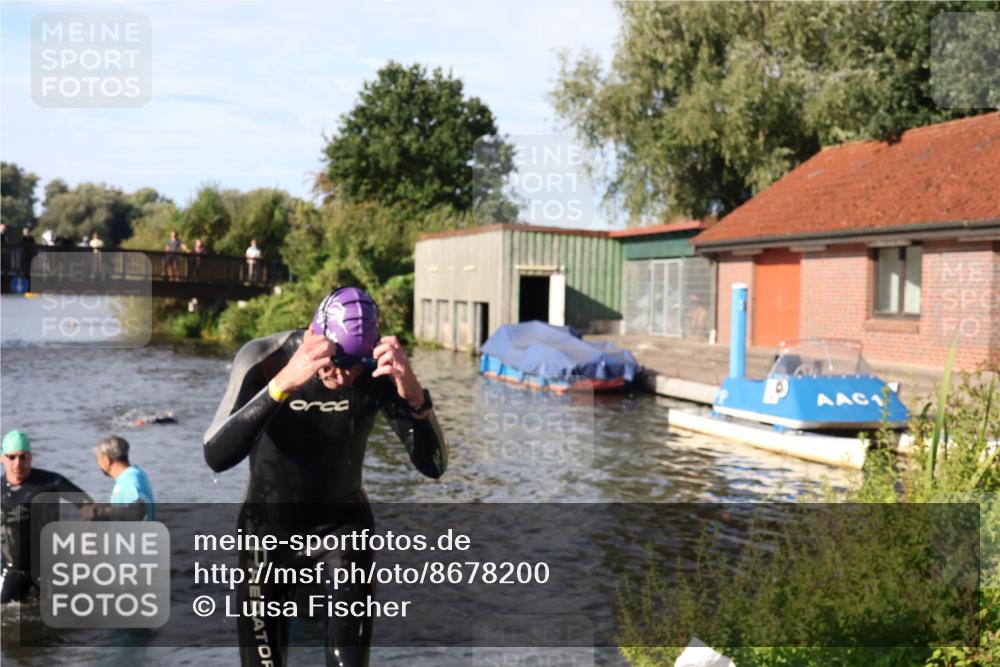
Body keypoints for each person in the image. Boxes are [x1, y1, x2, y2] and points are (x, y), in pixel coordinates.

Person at [203, 287, 447, 667]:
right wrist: (281, 386)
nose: (345, 374)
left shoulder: (378, 369)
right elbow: (216, 455)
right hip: (267, 532)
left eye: (355, 364)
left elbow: (433, 465)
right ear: (317, 336)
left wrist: (414, 392)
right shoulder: (265, 359)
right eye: (336, 360)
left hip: (342, 530)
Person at [1, 430, 92, 603]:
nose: (18, 463)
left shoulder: (50, 483)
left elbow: (88, 505)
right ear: (2, 458)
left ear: (31, 457)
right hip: (12, 569)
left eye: (24, 456)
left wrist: (88, 541)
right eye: (12, 457)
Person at [90, 436, 155, 521]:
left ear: (107, 460)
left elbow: (138, 511)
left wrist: (102, 511)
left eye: (98, 459)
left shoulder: (129, 481)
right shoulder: (136, 474)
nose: (98, 463)